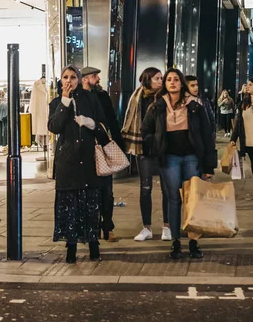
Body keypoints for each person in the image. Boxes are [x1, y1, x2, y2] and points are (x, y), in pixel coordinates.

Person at [142, 68, 216, 259]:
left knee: (192, 199)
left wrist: (209, 166)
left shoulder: (195, 106)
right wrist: (156, 143)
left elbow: (207, 136)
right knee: (174, 199)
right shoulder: (158, 106)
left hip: (192, 157)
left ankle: (193, 241)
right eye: (169, 80)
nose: (172, 82)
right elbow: (146, 131)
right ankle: (175, 241)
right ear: (165, 84)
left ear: (181, 83)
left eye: (176, 79)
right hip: (170, 158)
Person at [48, 65, 110, 263]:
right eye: (65, 77)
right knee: (70, 206)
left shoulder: (90, 98)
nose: (69, 81)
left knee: (91, 204)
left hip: (89, 159)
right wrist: (65, 102)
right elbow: (55, 127)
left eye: (73, 77)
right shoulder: (57, 102)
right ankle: (71, 247)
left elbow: (103, 127)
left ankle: (94, 245)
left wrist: (91, 123)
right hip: (68, 161)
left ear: (79, 79)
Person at [121, 67, 171, 242]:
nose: (161, 80)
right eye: (157, 78)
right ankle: (147, 228)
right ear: (148, 79)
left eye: (161, 78)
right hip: (143, 147)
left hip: (164, 147)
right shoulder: (137, 97)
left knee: (167, 189)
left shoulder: (166, 97)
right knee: (145, 188)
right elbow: (132, 120)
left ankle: (167, 226)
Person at [81, 66, 123, 243]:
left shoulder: (102, 96)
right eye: (94, 76)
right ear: (84, 79)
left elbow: (112, 120)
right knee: (88, 192)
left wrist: (119, 144)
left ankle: (107, 228)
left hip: (103, 146)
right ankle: (91, 228)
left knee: (107, 190)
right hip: (83, 150)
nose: (98, 78)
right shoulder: (76, 98)